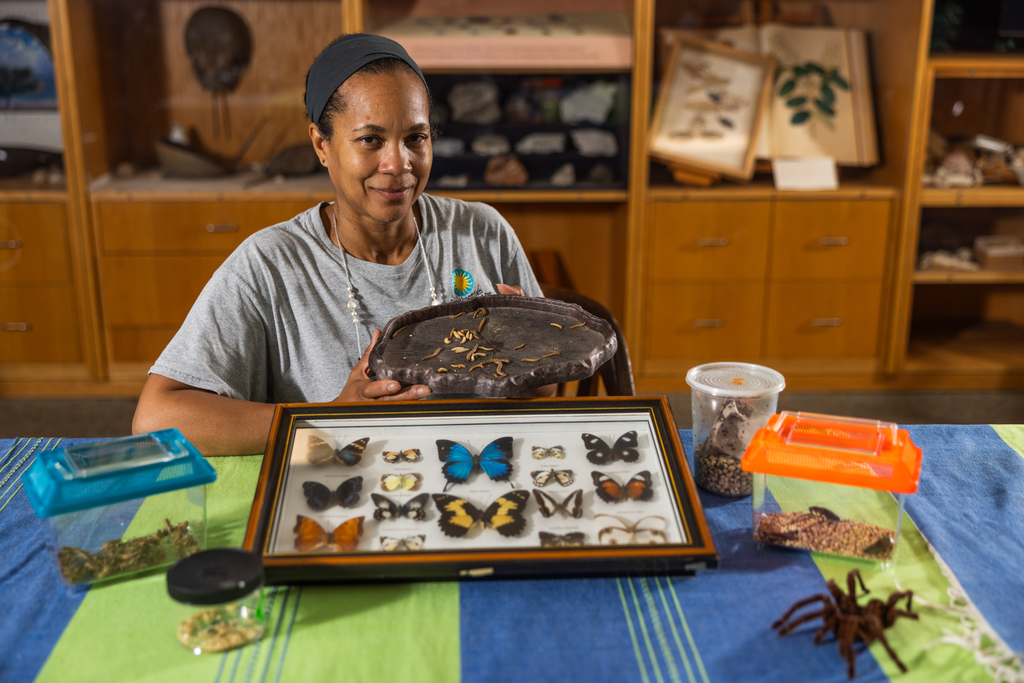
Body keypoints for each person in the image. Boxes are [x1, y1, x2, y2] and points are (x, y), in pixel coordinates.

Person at [133, 34, 547, 456]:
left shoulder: (482, 232)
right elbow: (157, 417)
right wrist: (329, 420)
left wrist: (527, 350)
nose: (399, 164)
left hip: (477, 471)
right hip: (340, 490)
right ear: (321, 145)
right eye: (370, 140)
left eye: (416, 138)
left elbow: (544, 391)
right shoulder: (270, 266)